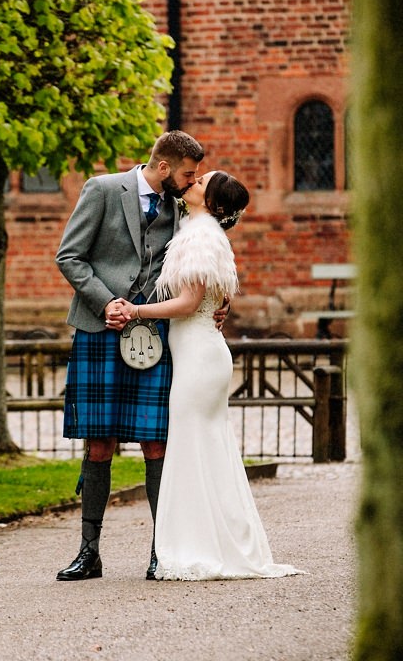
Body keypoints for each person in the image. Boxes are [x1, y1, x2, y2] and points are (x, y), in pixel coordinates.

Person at [116, 171, 300, 580]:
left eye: (201, 181)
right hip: (200, 352)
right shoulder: (200, 231)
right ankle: (214, 541)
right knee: (206, 448)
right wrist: (222, 302)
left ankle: (200, 546)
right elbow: (217, 291)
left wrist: (135, 311)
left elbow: (187, 303)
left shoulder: (201, 236)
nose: (193, 181)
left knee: (193, 447)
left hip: (199, 356)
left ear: (214, 203)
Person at [54, 130, 208, 582]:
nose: (190, 181)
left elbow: (196, 264)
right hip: (101, 329)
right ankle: (89, 552)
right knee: (99, 441)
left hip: (155, 332)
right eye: (186, 173)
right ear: (164, 167)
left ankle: (163, 552)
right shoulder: (102, 190)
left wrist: (216, 302)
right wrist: (107, 302)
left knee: (156, 441)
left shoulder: (182, 207)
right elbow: (70, 256)